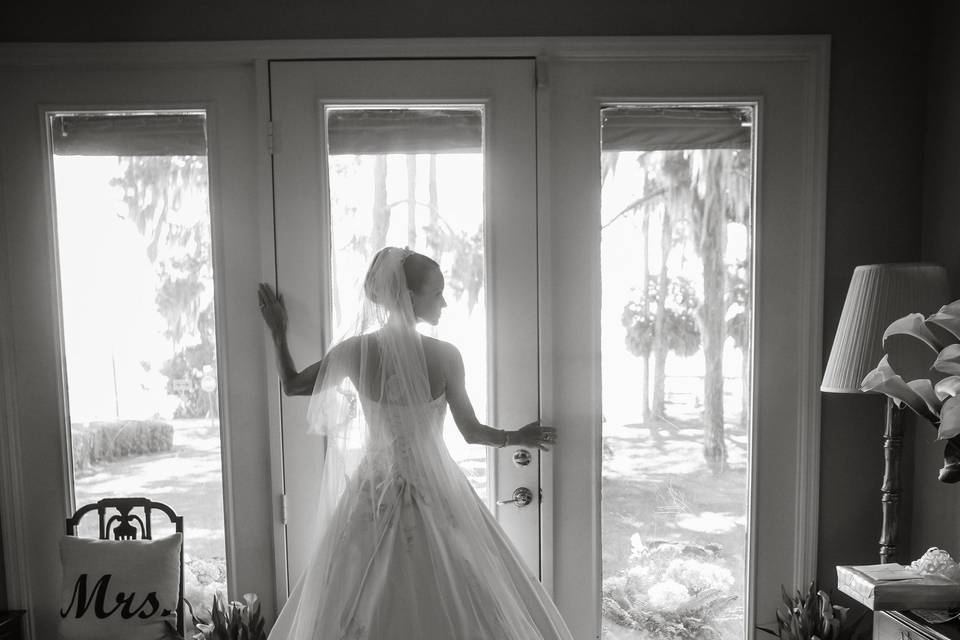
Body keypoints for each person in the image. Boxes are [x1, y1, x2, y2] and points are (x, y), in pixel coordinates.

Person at [259, 246, 573, 639]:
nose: (444, 301)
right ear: (410, 298)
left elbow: (291, 385)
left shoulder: (355, 352)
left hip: (373, 492)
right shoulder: (445, 357)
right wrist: (516, 437)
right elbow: (471, 432)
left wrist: (278, 331)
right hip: (436, 490)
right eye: (436, 292)